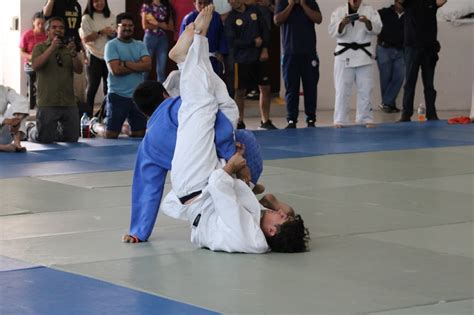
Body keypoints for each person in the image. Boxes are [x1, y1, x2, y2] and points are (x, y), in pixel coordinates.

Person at [162, 5, 309, 253]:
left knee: (201, 107)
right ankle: (186, 57)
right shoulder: (260, 230)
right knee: (228, 111)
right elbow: (242, 194)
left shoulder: (246, 236)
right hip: (209, 178)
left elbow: (221, 188)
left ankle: (196, 43)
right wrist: (240, 173)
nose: (279, 214)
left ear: (273, 231)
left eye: (281, 218)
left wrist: (234, 164)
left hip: (194, 182)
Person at [94, 13, 151, 139]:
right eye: (123, 25)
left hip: (137, 96)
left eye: (130, 25)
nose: (127, 28)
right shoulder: (111, 45)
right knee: (110, 134)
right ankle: (94, 125)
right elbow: (116, 70)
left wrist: (126, 63)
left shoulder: (140, 44)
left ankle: (124, 127)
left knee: (139, 134)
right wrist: (137, 65)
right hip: (117, 95)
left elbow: (147, 66)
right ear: (116, 28)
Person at [28, 17, 83, 143]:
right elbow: (35, 65)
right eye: (54, 27)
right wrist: (51, 48)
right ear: (47, 32)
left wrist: (74, 54)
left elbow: (79, 70)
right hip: (48, 101)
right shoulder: (40, 47)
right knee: (44, 139)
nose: (58, 30)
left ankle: (53, 130)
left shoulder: (68, 48)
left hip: (68, 101)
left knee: (72, 138)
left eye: (61, 28)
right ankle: (30, 130)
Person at [328, 0, 382, 128]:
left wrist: (367, 22)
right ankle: (340, 119)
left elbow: (378, 28)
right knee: (342, 89)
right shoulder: (339, 11)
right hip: (343, 54)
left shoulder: (370, 10)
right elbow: (331, 31)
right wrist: (342, 23)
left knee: (366, 89)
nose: (355, 1)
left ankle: (365, 118)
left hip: (364, 54)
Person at [225, 0, 277, 130]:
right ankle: (240, 121)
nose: (233, 1)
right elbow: (232, 42)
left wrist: (264, 48)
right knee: (240, 92)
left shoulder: (255, 10)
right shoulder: (230, 18)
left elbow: (265, 30)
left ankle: (265, 121)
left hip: (259, 57)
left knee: (265, 88)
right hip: (241, 59)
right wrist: (252, 42)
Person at [274, 0, 322, 129]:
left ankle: (311, 118)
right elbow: (277, 20)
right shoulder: (282, 2)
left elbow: (318, 19)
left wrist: (303, 4)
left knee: (310, 87)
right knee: (291, 88)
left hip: (309, 53)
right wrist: (290, 5)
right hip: (290, 53)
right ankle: (291, 120)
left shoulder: (310, 1)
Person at [398, 0, 448, 122]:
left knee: (429, 84)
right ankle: (406, 114)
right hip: (412, 47)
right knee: (410, 82)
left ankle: (431, 114)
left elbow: (442, 1)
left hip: (429, 48)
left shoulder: (432, 1)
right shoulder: (408, 2)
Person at [79, 0, 116, 117]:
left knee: (108, 88)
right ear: (91, 3)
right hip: (93, 55)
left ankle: (105, 115)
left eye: (101, 1)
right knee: (92, 87)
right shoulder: (86, 18)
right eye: (96, 1)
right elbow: (86, 39)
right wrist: (102, 32)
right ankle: (87, 116)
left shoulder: (112, 16)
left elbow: (116, 36)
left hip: (109, 57)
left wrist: (113, 33)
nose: (99, 3)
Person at [180, 0, 228, 78]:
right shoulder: (188, 18)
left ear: (210, 4)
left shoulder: (216, 16)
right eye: (200, 3)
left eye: (206, 3)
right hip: (195, 58)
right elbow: (182, 41)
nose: (203, 6)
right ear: (194, 3)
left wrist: (221, 52)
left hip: (213, 57)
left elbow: (221, 35)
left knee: (214, 80)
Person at [376, 0, 405, 114]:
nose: (401, 6)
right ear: (395, 2)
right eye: (399, 3)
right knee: (385, 78)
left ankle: (386, 103)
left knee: (399, 76)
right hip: (384, 49)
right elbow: (374, 25)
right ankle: (390, 105)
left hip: (401, 50)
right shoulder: (383, 12)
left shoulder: (409, 14)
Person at [141, 0, 174, 83]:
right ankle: (141, 89)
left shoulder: (166, 6)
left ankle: (160, 91)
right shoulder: (147, 6)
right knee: (146, 66)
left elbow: (170, 26)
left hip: (163, 38)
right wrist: (160, 25)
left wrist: (158, 24)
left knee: (161, 68)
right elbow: (145, 25)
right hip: (150, 38)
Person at [20, 12, 47, 110]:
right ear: (33, 23)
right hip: (30, 63)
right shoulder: (27, 35)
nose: (40, 26)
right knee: (33, 75)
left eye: (42, 24)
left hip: (43, 63)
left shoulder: (46, 35)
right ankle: (31, 104)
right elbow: (21, 52)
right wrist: (31, 57)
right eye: (38, 23)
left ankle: (43, 103)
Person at [0, 85, 29, 153]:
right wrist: (5, 121)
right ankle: (3, 147)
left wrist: (16, 120)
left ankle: (17, 142)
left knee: (20, 105)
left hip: (4, 136)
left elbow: (21, 100)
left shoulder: (4, 90)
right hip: (3, 124)